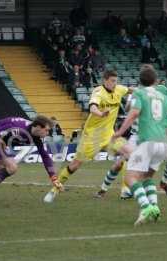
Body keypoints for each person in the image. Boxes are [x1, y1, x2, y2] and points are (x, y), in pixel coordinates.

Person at [111, 65, 167, 225]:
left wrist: (118, 133)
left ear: (140, 81)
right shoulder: (164, 94)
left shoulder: (139, 93)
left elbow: (133, 114)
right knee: (147, 177)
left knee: (130, 177)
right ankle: (154, 207)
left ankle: (146, 207)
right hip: (164, 145)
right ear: (156, 80)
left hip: (147, 143)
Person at [43, 70, 132, 203]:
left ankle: (125, 190)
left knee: (128, 154)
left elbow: (131, 90)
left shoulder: (119, 89)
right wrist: (101, 114)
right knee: (75, 164)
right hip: (92, 135)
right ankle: (54, 190)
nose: (115, 83)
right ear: (105, 81)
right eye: (112, 81)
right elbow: (92, 108)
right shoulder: (98, 92)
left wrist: (148, 90)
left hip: (109, 134)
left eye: (116, 81)